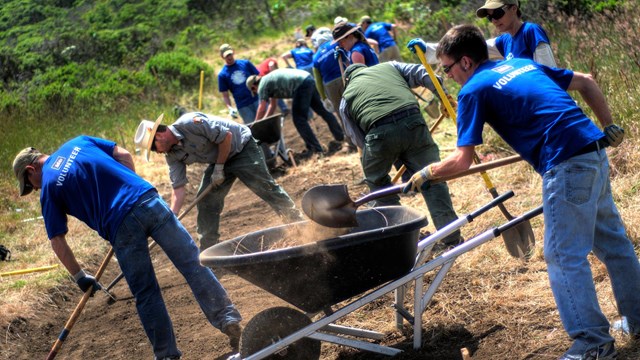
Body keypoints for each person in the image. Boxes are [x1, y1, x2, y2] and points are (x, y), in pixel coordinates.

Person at [404, 24, 640, 360]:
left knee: (562, 255)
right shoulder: (520, 64)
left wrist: (428, 173)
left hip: (567, 163)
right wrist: (608, 125)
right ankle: (638, 319)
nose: (448, 75)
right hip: (593, 152)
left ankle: (594, 344)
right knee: (614, 244)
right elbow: (586, 80)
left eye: (447, 68)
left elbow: (462, 161)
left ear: (466, 62)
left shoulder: (472, 90)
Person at [12, 134, 243, 359]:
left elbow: (57, 240)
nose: (36, 189)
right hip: (148, 200)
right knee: (193, 263)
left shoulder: (50, 187)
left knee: (146, 292)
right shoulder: (79, 141)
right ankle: (227, 318)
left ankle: (166, 355)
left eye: (31, 186)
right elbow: (123, 154)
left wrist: (80, 276)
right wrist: (131, 188)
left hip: (121, 226)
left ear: (31, 170)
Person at [135, 112, 303, 251]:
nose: (156, 153)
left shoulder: (190, 123)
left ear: (158, 136)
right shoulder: (172, 155)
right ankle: (210, 249)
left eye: (153, 148)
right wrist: (172, 215)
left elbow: (226, 137)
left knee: (265, 187)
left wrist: (218, 168)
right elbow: (178, 187)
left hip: (241, 148)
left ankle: (298, 224)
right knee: (206, 202)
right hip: (219, 161)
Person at [339, 62, 462, 246]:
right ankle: (451, 236)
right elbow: (426, 73)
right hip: (414, 124)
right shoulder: (390, 67)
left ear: (348, 81)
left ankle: (403, 237)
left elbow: (359, 140)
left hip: (377, 134)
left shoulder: (345, 99)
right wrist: (443, 96)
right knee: (432, 177)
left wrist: (385, 149)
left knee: (378, 184)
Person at [408, 0, 556, 68]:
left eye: (497, 13)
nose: (494, 20)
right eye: (490, 17)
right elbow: (468, 47)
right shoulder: (504, 41)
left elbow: (549, 72)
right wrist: (427, 48)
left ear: (513, 8)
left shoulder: (531, 31)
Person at [246, 68, 345, 158]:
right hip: (307, 79)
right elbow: (272, 105)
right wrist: (264, 121)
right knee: (323, 111)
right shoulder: (269, 81)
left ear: (254, 86)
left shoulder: (262, 84)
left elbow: (262, 107)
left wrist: (255, 124)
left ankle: (315, 149)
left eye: (254, 91)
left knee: (299, 119)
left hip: (300, 85)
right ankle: (340, 137)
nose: (256, 93)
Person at [311, 27, 356, 153]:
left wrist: (323, 97)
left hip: (330, 86)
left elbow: (318, 81)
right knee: (355, 106)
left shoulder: (315, 57)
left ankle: (351, 143)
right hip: (345, 77)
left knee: (342, 113)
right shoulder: (336, 44)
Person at [217, 43, 260, 124]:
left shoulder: (246, 64)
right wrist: (230, 108)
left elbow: (258, 78)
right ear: (222, 57)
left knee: (267, 122)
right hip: (243, 105)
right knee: (253, 128)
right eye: (227, 56)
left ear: (233, 52)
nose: (229, 57)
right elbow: (225, 95)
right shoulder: (222, 75)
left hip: (257, 99)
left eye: (230, 54)